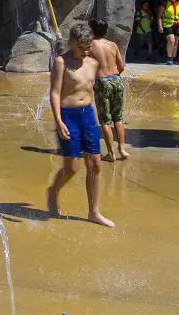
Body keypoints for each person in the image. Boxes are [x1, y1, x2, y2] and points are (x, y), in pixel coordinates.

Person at [46, 23, 114, 228]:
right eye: (82, 47)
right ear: (72, 43)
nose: (86, 51)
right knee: (72, 168)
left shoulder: (93, 63)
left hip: (88, 115)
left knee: (95, 164)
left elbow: (95, 90)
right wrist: (58, 121)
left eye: (88, 47)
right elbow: (55, 92)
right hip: (68, 115)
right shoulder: (61, 62)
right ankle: (53, 191)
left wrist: (102, 117)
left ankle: (94, 212)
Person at [88, 18, 129, 162]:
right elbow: (121, 67)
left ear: (92, 30)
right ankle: (122, 150)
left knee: (105, 120)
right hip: (117, 80)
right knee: (118, 117)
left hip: (102, 82)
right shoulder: (113, 45)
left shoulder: (90, 45)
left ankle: (111, 154)